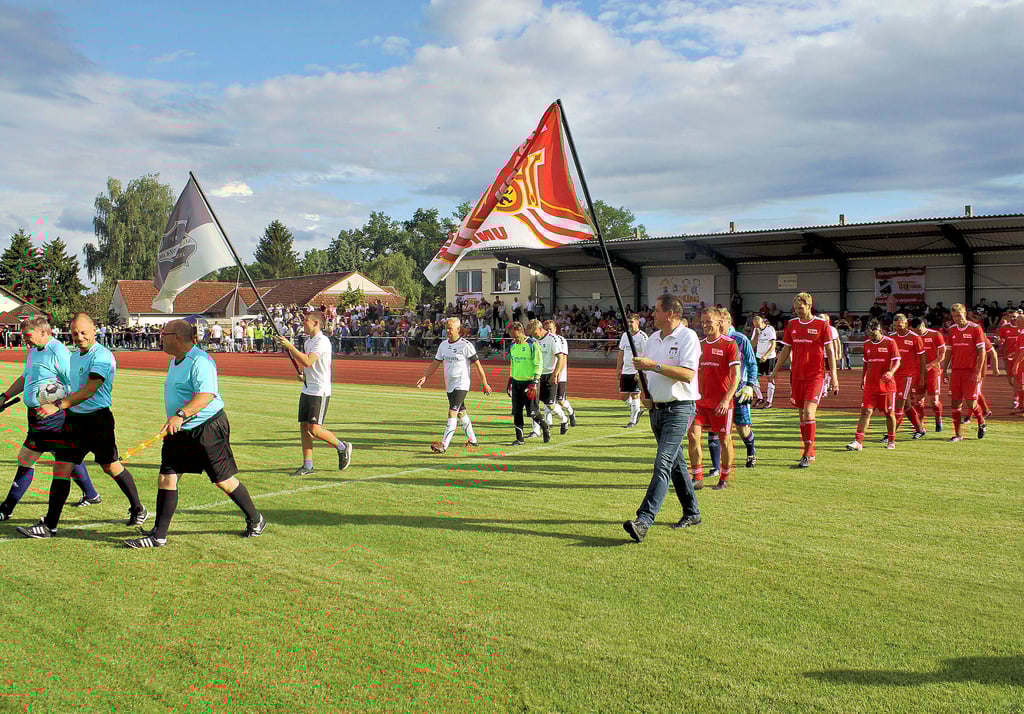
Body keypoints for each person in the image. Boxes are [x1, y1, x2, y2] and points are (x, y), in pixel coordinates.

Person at [123, 320, 265, 548]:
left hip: (207, 426)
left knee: (224, 481)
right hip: (180, 430)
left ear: (177, 337)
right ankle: (158, 535)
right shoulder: (174, 361)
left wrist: (180, 414)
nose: (160, 338)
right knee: (167, 477)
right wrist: (177, 418)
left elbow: (206, 395)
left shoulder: (200, 361)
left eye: (164, 334)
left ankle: (256, 519)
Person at [0, 317, 104, 526]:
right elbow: (26, 378)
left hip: (52, 417)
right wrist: (5, 396)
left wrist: (55, 405)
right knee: (65, 457)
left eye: (28, 336)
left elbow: (72, 383)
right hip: (36, 415)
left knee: (26, 459)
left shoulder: (58, 351)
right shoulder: (34, 350)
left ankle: (6, 509)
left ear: (44, 332)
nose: (25, 341)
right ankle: (91, 495)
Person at [623, 294, 702, 542]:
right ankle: (692, 511)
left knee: (663, 462)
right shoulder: (654, 339)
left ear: (670, 313)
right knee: (676, 464)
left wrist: (653, 366)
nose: (652, 315)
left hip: (680, 408)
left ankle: (644, 520)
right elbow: (646, 373)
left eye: (656, 311)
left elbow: (688, 375)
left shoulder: (688, 337)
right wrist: (647, 394)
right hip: (657, 409)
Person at [276, 311, 353, 475]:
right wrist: (303, 375)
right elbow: (309, 366)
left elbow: (307, 360)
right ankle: (308, 465)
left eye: (306, 321)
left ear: (316, 323)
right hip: (307, 389)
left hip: (320, 391)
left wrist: (290, 347)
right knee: (304, 428)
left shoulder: (322, 341)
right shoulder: (309, 341)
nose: (304, 323)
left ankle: (342, 446)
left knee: (315, 430)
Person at [768, 292, 839, 468]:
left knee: (808, 412)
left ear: (809, 306)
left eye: (801, 308)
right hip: (797, 376)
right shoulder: (792, 325)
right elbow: (785, 351)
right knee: (801, 414)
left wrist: (835, 378)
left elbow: (830, 352)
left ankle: (807, 453)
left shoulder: (822, 325)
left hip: (815, 375)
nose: (798, 311)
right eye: (796, 308)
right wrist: (775, 370)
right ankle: (809, 450)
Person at [416, 317, 492, 453]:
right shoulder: (443, 345)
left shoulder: (466, 345)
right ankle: (473, 441)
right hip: (449, 385)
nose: (448, 331)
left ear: (458, 329)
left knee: (452, 411)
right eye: (447, 328)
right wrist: (425, 376)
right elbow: (435, 363)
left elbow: (478, 366)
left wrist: (485, 383)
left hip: (461, 384)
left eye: (450, 328)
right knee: (461, 412)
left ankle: (444, 445)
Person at [687, 308, 740, 490]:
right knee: (693, 436)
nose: (705, 325)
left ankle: (723, 479)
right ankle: (698, 477)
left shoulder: (729, 344)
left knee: (725, 439)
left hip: (721, 404)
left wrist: (726, 400)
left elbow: (736, 377)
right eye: (703, 322)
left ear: (719, 322)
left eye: (709, 321)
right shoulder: (698, 345)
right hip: (699, 402)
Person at [846, 319, 900, 451]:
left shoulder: (890, 342)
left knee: (889, 413)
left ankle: (891, 440)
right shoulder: (867, 344)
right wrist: (862, 379)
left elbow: (897, 361)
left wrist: (891, 372)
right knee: (866, 411)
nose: (872, 337)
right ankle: (858, 441)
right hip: (871, 385)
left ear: (880, 331)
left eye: (874, 334)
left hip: (887, 385)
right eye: (869, 334)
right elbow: (866, 364)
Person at [941, 304, 986, 442]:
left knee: (971, 403)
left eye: (959, 316)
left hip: (970, 371)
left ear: (965, 313)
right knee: (955, 403)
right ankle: (958, 434)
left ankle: (981, 422)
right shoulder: (952, 330)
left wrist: (978, 371)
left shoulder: (975, 328)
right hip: (956, 371)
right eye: (954, 316)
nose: (957, 319)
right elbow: (948, 351)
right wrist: (945, 369)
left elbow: (982, 351)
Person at [505, 321, 549, 445]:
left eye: (516, 336)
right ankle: (520, 439)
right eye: (512, 336)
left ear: (522, 332)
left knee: (533, 412)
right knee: (517, 412)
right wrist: (510, 379)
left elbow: (539, 364)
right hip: (516, 382)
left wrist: (535, 381)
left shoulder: (532, 344)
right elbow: (513, 363)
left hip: (530, 383)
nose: (514, 339)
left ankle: (545, 427)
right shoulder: (513, 345)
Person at [888, 314, 927, 440]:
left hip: (907, 376)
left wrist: (921, 376)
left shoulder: (915, 338)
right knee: (907, 406)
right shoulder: (891, 338)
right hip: (894, 376)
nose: (898, 328)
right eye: (895, 326)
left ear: (905, 323)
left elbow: (922, 359)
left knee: (898, 405)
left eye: (900, 325)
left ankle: (890, 435)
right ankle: (920, 429)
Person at [528, 319, 569, 436]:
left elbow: (561, 358)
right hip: (536, 375)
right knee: (533, 404)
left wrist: (555, 374)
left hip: (549, 375)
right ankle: (535, 430)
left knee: (550, 405)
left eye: (534, 333)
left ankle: (564, 419)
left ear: (540, 329)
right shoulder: (532, 340)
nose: (533, 335)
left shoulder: (553, 339)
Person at [910, 316, 947, 431]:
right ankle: (919, 424)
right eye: (914, 331)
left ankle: (938, 419)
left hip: (933, 372)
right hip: (917, 373)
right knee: (917, 401)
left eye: (919, 331)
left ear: (923, 325)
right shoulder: (912, 337)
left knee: (934, 402)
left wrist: (930, 365)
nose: (917, 333)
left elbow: (942, 354)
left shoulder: (935, 335)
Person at [617, 314, 649, 428]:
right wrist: (618, 368)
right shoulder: (625, 335)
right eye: (628, 322)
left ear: (637, 322)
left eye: (632, 322)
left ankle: (632, 421)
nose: (630, 324)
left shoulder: (642, 337)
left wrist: (641, 371)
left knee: (635, 395)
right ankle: (637, 409)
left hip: (637, 371)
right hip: (626, 370)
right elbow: (621, 352)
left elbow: (647, 354)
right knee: (623, 396)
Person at [544, 319, 577, 429]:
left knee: (560, 401)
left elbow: (563, 359)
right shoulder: (543, 340)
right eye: (546, 329)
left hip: (560, 375)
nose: (548, 331)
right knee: (548, 401)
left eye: (550, 329)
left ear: (555, 329)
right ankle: (548, 424)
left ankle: (571, 412)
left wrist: (557, 373)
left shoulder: (561, 340)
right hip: (548, 374)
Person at [751, 315, 776, 408]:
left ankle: (769, 401)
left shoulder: (770, 329)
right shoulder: (756, 330)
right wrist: (756, 335)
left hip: (769, 357)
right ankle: (760, 397)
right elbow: (752, 344)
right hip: (758, 356)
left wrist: (766, 355)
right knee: (754, 377)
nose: (756, 327)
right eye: (755, 325)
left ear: (762, 322)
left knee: (770, 378)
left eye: (758, 325)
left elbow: (773, 344)